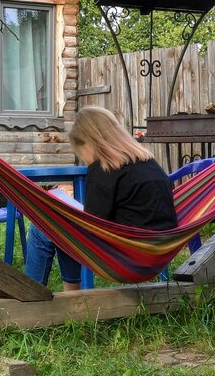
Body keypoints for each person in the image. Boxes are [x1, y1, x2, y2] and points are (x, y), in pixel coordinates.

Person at [23, 107, 178, 291]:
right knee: (64, 227)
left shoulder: (104, 169)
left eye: (81, 152)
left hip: (126, 257)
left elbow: (91, 227)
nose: (84, 160)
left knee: (42, 227)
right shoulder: (149, 163)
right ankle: (73, 296)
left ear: (89, 143)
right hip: (158, 252)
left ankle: (30, 292)